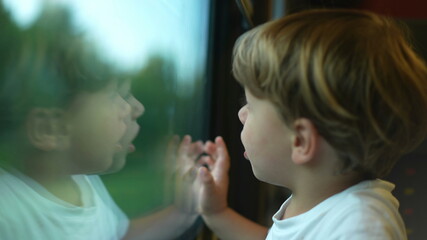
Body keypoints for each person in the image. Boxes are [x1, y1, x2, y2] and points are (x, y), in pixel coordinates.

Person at [195, 9, 427, 240]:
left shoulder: (359, 227)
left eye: (251, 106)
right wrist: (216, 213)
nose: (241, 115)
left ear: (301, 141)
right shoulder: (323, 207)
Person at [0, 5, 202, 240]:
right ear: (50, 129)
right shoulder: (8, 215)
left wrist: (182, 212)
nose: (137, 108)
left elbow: (117, 235)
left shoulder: (83, 182)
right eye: (116, 94)